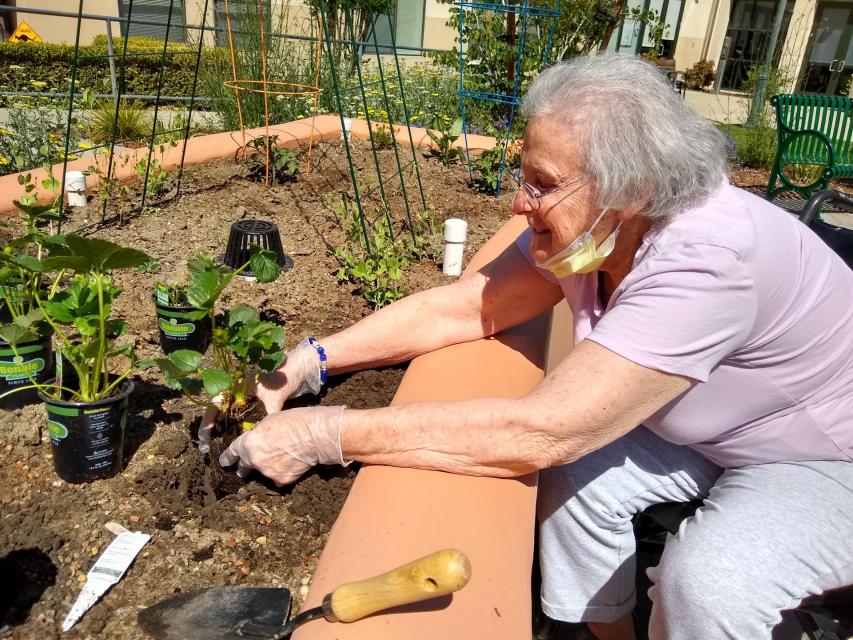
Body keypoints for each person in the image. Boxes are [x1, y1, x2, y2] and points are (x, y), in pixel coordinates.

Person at [209, 53, 853, 640]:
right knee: (570, 482)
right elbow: (461, 309)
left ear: (632, 191)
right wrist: (306, 363)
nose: (519, 202)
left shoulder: (709, 261)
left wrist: (321, 435)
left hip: (817, 457)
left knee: (710, 585)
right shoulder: (594, 232)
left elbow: (543, 429)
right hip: (711, 426)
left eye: (542, 184)